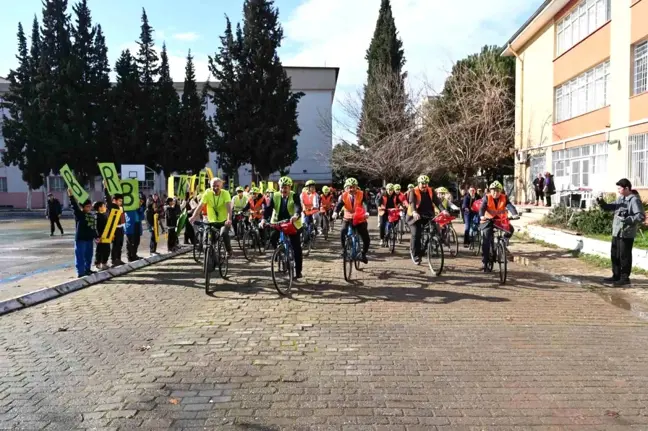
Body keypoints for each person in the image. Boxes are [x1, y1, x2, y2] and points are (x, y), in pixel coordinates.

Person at [597, 178, 646, 286]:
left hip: (626, 233)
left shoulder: (633, 200)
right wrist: (601, 202)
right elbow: (611, 207)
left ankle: (624, 278)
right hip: (617, 232)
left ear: (627, 188)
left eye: (620, 188)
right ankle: (616, 276)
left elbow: (641, 216)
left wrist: (628, 219)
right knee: (615, 254)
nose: (618, 190)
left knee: (624, 256)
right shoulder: (621, 199)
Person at [260, 176, 304, 279]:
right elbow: (268, 209)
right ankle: (280, 252)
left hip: (292, 223)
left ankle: (298, 271)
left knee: (296, 247)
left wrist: (296, 215)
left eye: (286, 187)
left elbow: (298, 207)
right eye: (282, 187)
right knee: (272, 238)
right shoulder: (274, 195)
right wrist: (263, 219)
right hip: (278, 222)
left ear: (290, 188)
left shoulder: (294, 195)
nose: (283, 189)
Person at [479, 181, 518, 272]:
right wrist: (482, 216)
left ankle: (504, 241)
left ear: (501, 191)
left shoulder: (504, 197)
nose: (495, 193)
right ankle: (485, 262)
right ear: (490, 191)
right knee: (486, 240)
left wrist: (515, 214)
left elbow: (510, 206)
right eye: (493, 190)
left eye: (497, 190)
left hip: (499, 220)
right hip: (488, 220)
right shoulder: (487, 197)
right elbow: (482, 208)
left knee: (510, 229)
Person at [189, 177, 233, 256]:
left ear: (221, 186)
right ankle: (211, 258)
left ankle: (228, 250)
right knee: (209, 240)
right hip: (211, 221)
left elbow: (229, 208)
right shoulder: (207, 193)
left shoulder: (225, 193)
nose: (215, 188)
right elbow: (200, 206)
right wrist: (193, 217)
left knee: (223, 234)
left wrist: (229, 219)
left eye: (217, 186)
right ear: (210, 186)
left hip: (223, 221)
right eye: (213, 186)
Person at [409, 175, 447, 264]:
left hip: (428, 214)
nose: (424, 186)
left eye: (426, 183)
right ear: (419, 183)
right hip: (415, 216)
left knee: (434, 231)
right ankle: (415, 255)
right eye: (422, 184)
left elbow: (437, 202)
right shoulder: (413, 191)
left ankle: (428, 246)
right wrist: (414, 212)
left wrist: (443, 210)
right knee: (416, 234)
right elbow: (412, 202)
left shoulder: (431, 190)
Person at [332, 177, 370, 263]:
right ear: (346, 188)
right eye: (349, 187)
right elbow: (339, 205)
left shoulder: (361, 194)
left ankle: (363, 254)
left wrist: (366, 212)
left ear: (357, 187)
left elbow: (365, 203)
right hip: (348, 217)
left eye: (354, 187)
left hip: (359, 217)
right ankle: (344, 250)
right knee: (343, 231)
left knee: (366, 238)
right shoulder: (343, 195)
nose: (352, 189)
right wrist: (335, 212)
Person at [67, 189, 98, 278]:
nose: (89, 208)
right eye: (87, 206)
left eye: (90, 206)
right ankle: (81, 272)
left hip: (89, 239)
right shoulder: (79, 215)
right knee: (80, 256)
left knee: (89, 256)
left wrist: (96, 236)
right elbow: (74, 207)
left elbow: (93, 227)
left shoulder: (91, 216)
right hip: (81, 239)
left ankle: (87, 269)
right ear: (82, 207)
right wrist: (71, 196)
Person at [104, 186, 125, 267]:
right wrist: (106, 188)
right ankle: (113, 260)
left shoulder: (121, 207)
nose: (121, 202)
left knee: (120, 244)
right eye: (119, 201)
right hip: (114, 228)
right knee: (115, 245)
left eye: (121, 201)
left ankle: (118, 259)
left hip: (121, 227)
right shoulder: (112, 206)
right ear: (114, 200)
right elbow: (107, 199)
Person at [124, 193, 146, 261]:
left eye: (142, 201)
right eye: (140, 201)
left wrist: (140, 209)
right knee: (130, 242)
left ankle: (134, 255)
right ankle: (129, 256)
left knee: (137, 241)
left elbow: (142, 217)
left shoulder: (140, 208)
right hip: (130, 225)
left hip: (137, 225)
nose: (141, 202)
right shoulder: (129, 207)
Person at [93, 201, 110, 270]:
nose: (105, 207)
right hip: (101, 237)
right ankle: (98, 264)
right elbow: (96, 228)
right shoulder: (97, 216)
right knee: (100, 250)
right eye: (104, 206)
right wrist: (97, 237)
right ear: (100, 208)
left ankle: (103, 263)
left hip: (106, 235)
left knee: (106, 250)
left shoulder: (104, 215)